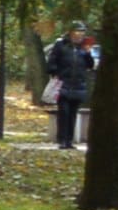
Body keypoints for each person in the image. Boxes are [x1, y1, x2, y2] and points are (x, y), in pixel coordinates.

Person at [40, 22, 96, 150]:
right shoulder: (61, 45)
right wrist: (56, 73)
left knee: (72, 113)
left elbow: (90, 65)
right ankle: (62, 140)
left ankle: (69, 140)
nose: (79, 35)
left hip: (78, 85)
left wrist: (88, 53)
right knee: (64, 112)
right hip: (63, 84)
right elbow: (52, 62)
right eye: (76, 32)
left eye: (82, 32)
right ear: (70, 33)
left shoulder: (83, 48)